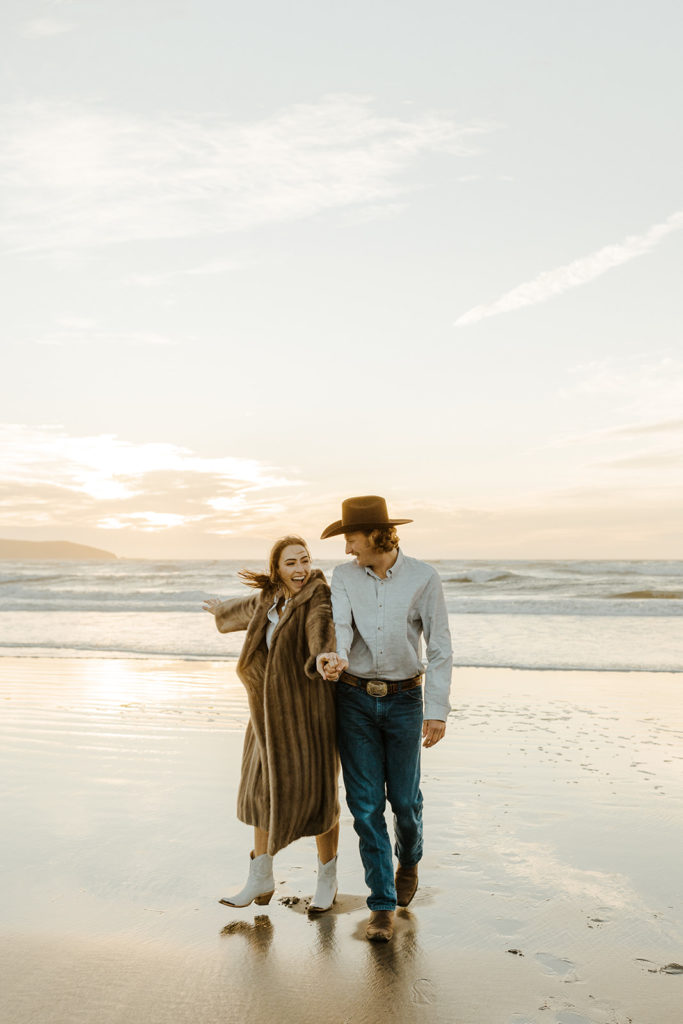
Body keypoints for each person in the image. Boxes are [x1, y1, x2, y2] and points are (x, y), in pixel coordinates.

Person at [317, 496, 452, 942]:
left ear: (376, 535)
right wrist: (333, 659)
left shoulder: (423, 577)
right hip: (353, 699)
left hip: (405, 702)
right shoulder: (344, 576)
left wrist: (437, 710)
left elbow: (439, 647)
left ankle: (408, 858)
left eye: (350, 538)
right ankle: (381, 904)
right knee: (366, 806)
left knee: (406, 804)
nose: (346, 548)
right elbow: (341, 627)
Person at [203, 535, 340, 914]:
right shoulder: (270, 598)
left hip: (308, 712)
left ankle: (327, 877)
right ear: (276, 568)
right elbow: (244, 608)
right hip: (265, 712)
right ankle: (261, 876)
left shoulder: (318, 596)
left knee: (320, 796)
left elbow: (320, 629)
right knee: (261, 790)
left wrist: (323, 657)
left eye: (304, 561)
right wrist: (220, 608)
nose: (300, 569)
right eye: (291, 563)